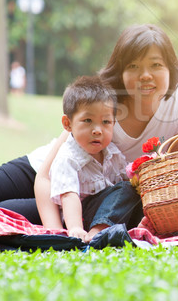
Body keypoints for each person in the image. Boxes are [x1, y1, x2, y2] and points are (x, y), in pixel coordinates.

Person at [0, 24, 178, 233]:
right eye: (133, 66)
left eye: (156, 65)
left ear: (170, 68)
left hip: (81, 204)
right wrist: (55, 230)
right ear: (121, 72)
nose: (145, 75)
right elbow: (46, 176)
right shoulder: (104, 100)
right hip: (41, 170)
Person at [47, 76, 128, 241]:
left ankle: (112, 228)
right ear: (67, 123)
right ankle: (96, 232)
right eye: (88, 121)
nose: (97, 130)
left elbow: (125, 181)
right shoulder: (68, 158)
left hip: (113, 211)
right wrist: (76, 227)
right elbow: (69, 196)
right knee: (124, 189)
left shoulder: (113, 153)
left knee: (129, 189)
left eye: (106, 122)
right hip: (83, 215)